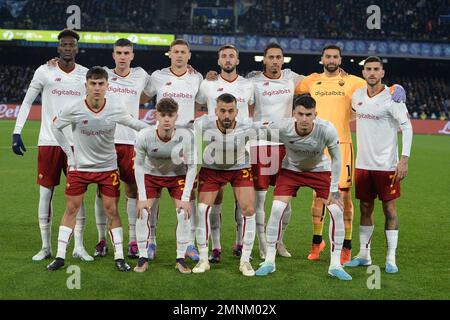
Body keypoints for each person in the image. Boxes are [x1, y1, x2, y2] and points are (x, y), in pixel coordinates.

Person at [295, 45, 406, 264]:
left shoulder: (354, 81)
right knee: (318, 196)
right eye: (328, 56)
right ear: (322, 59)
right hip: (316, 146)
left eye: (335, 56)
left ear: (340, 59)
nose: (331, 59)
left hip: (342, 145)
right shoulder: (311, 81)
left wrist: (396, 86)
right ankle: (317, 242)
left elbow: (378, 86)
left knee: (343, 197)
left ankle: (346, 246)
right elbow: (290, 85)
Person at [46, 66, 148, 271]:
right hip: (80, 168)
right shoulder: (74, 107)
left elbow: (134, 124)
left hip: (107, 167)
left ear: (107, 86)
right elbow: (55, 126)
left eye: (101, 84)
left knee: (111, 210)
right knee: (71, 208)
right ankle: (59, 256)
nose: (97, 88)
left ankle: (119, 257)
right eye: (93, 83)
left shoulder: (115, 107)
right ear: (86, 85)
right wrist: (69, 153)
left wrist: (157, 130)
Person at [12, 29, 92, 262]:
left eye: (71, 45)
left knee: (78, 196)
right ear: (59, 48)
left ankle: (78, 246)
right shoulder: (44, 71)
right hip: (48, 142)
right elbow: (27, 102)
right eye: (64, 45)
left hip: (76, 144)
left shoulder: (85, 75)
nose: (68, 48)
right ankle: (46, 246)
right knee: (45, 194)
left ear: (77, 49)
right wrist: (17, 132)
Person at [255, 94, 352, 281]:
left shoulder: (327, 129)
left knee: (336, 211)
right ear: (294, 114)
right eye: (300, 114)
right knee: (276, 208)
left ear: (315, 114)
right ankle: (269, 261)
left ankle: (335, 265)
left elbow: (337, 158)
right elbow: (257, 130)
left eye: (309, 114)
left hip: (320, 171)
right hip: (291, 170)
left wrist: (333, 190)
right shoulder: (282, 126)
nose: (305, 119)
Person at [345, 56, 413, 274]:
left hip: (387, 165)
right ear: (363, 73)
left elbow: (407, 128)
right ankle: (364, 255)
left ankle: (390, 258)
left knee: (389, 209)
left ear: (382, 73)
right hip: (363, 164)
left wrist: (404, 159)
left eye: (376, 69)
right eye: (368, 69)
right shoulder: (356, 96)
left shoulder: (393, 98)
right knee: (365, 208)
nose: (372, 73)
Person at [141, 39, 203, 262]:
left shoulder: (197, 78)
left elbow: (205, 101)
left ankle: (189, 243)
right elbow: (142, 96)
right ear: (169, 54)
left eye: (183, 52)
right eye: (175, 52)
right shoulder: (157, 76)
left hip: (186, 141)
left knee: (189, 196)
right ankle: (151, 241)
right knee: (153, 195)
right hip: (161, 140)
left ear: (189, 55)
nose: (178, 55)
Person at [93, 38, 154, 259]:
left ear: (132, 55)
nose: (122, 56)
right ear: (113, 55)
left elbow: (150, 92)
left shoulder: (141, 75)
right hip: (105, 141)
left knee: (132, 191)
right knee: (103, 193)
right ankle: (102, 239)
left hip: (131, 142)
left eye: (126, 53)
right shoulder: (103, 76)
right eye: (118, 52)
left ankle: (132, 241)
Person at [195, 44, 255, 262]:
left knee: (244, 202)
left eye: (232, 56)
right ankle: (216, 247)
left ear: (237, 60)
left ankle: (240, 242)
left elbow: (252, 110)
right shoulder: (207, 84)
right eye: (224, 56)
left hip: (242, 147)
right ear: (219, 61)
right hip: (215, 149)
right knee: (215, 200)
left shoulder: (249, 84)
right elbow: (199, 105)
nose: (228, 59)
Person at [192, 93, 257, 276]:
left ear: (237, 111)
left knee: (249, 210)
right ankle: (204, 259)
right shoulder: (204, 123)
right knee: (203, 209)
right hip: (212, 168)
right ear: (216, 111)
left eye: (230, 111)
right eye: (222, 111)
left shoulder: (247, 125)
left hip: (239, 168)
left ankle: (245, 261)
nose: (226, 115)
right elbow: (191, 142)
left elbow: (273, 130)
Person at [250, 43, 304, 260]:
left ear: (283, 60)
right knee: (260, 200)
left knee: (285, 200)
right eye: (270, 57)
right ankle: (264, 245)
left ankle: (279, 241)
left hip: (287, 146)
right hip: (262, 145)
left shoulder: (292, 78)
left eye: (278, 57)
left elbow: (320, 81)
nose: (274, 61)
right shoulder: (253, 82)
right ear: (263, 60)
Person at [133, 98, 197, 274]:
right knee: (143, 211)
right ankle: (143, 257)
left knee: (184, 212)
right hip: (151, 175)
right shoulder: (144, 135)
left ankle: (180, 258)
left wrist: (185, 199)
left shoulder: (187, 136)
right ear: (156, 116)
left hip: (176, 175)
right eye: (163, 115)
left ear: (176, 116)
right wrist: (142, 197)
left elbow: (192, 167)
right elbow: (138, 165)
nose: (167, 119)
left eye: (171, 115)